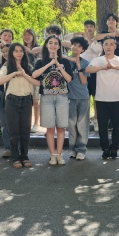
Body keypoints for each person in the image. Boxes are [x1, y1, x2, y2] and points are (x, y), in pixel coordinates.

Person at [86, 36, 119, 159]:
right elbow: (88, 69)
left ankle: (114, 148)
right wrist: (102, 67)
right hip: (101, 98)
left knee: (117, 126)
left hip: (117, 98)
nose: (108, 46)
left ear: (115, 46)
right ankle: (105, 149)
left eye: (111, 44)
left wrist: (115, 67)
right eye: (106, 44)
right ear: (103, 46)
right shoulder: (98, 60)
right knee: (102, 126)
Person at [32, 35, 74, 165]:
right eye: (50, 43)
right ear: (46, 45)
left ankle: (60, 154)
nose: (53, 45)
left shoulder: (64, 61)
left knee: (61, 127)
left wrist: (60, 68)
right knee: (50, 128)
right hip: (46, 97)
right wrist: (50, 64)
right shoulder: (40, 61)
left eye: (56, 43)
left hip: (62, 97)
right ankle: (52, 155)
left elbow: (69, 79)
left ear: (59, 46)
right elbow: (34, 75)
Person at [0, 43, 40, 168]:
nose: (18, 53)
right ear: (11, 53)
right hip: (12, 100)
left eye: (21, 51)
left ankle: (24, 156)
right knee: (13, 131)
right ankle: (15, 157)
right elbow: (0, 81)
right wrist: (14, 73)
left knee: (25, 131)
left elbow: (37, 83)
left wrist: (25, 74)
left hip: (26, 100)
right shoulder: (6, 67)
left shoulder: (29, 67)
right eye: (15, 51)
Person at [64, 36, 90, 161]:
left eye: (79, 46)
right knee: (71, 124)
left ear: (83, 50)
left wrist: (78, 65)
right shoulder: (65, 61)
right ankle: (73, 148)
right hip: (69, 97)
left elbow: (84, 81)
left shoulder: (85, 63)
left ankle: (81, 149)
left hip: (83, 97)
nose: (76, 47)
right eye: (74, 45)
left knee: (82, 124)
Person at [0, 44, 12, 158]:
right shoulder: (0, 66)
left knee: (15, 123)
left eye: (7, 51)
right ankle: (8, 148)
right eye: (3, 51)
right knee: (4, 123)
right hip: (0, 96)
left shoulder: (19, 65)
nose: (5, 53)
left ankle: (18, 148)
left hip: (13, 96)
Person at [22, 28, 41, 133]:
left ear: (33, 36)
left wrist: (28, 50)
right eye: (25, 35)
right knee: (26, 101)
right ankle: (26, 123)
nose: (27, 37)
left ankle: (36, 124)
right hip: (24, 77)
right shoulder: (20, 48)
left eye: (29, 35)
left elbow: (38, 57)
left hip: (35, 77)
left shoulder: (38, 48)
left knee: (35, 101)